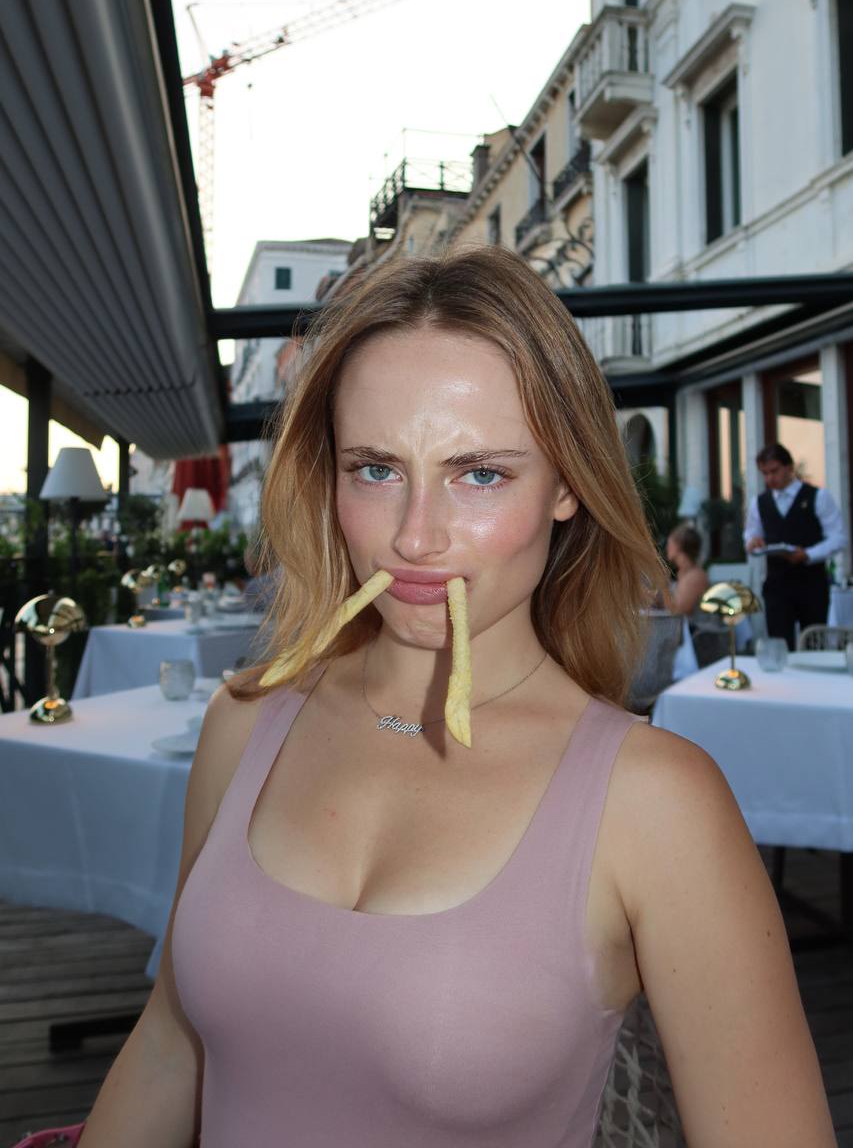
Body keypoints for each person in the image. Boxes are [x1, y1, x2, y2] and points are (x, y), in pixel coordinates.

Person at [78, 250, 834, 1147]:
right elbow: (171, 1047)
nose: (414, 536)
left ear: (567, 485)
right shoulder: (243, 723)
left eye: (479, 474)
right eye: (375, 468)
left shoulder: (656, 802)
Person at [744, 441, 847, 650]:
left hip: (811, 584)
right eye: (765, 473)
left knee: (814, 643)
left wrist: (808, 554)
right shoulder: (759, 503)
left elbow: (839, 537)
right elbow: (751, 534)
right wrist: (752, 543)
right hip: (776, 585)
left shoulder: (818, 497)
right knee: (779, 645)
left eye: (774, 471)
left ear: (789, 467)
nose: (769, 478)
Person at [664, 521, 710, 619]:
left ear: (679, 546)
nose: (667, 547)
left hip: (696, 628)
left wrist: (663, 587)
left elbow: (679, 611)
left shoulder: (696, 577)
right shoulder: (684, 574)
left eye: (670, 543)